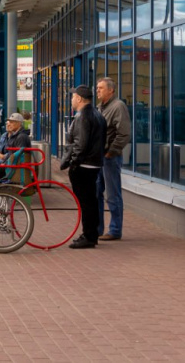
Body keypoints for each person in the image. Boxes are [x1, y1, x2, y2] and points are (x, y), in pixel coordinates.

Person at [61, 84, 106, 249]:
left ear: (79, 98)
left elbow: (80, 144)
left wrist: (73, 163)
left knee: (86, 202)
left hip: (84, 165)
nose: (71, 99)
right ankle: (91, 234)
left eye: (73, 97)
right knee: (91, 201)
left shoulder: (83, 117)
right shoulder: (97, 114)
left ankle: (88, 235)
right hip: (94, 163)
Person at [96, 76, 130, 241]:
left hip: (110, 158)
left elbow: (123, 133)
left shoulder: (118, 106)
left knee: (113, 194)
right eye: (97, 88)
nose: (98, 91)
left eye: (101, 88)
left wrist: (111, 152)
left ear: (111, 90)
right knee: (97, 192)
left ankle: (115, 230)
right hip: (99, 157)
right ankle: (97, 229)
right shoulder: (99, 107)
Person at [0, 113, 33, 182]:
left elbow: (18, 155)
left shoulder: (21, 137)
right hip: (10, 163)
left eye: (12, 122)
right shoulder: (14, 135)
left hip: (15, 166)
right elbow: (12, 153)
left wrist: (5, 164)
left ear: (19, 123)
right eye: (9, 122)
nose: (9, 124)